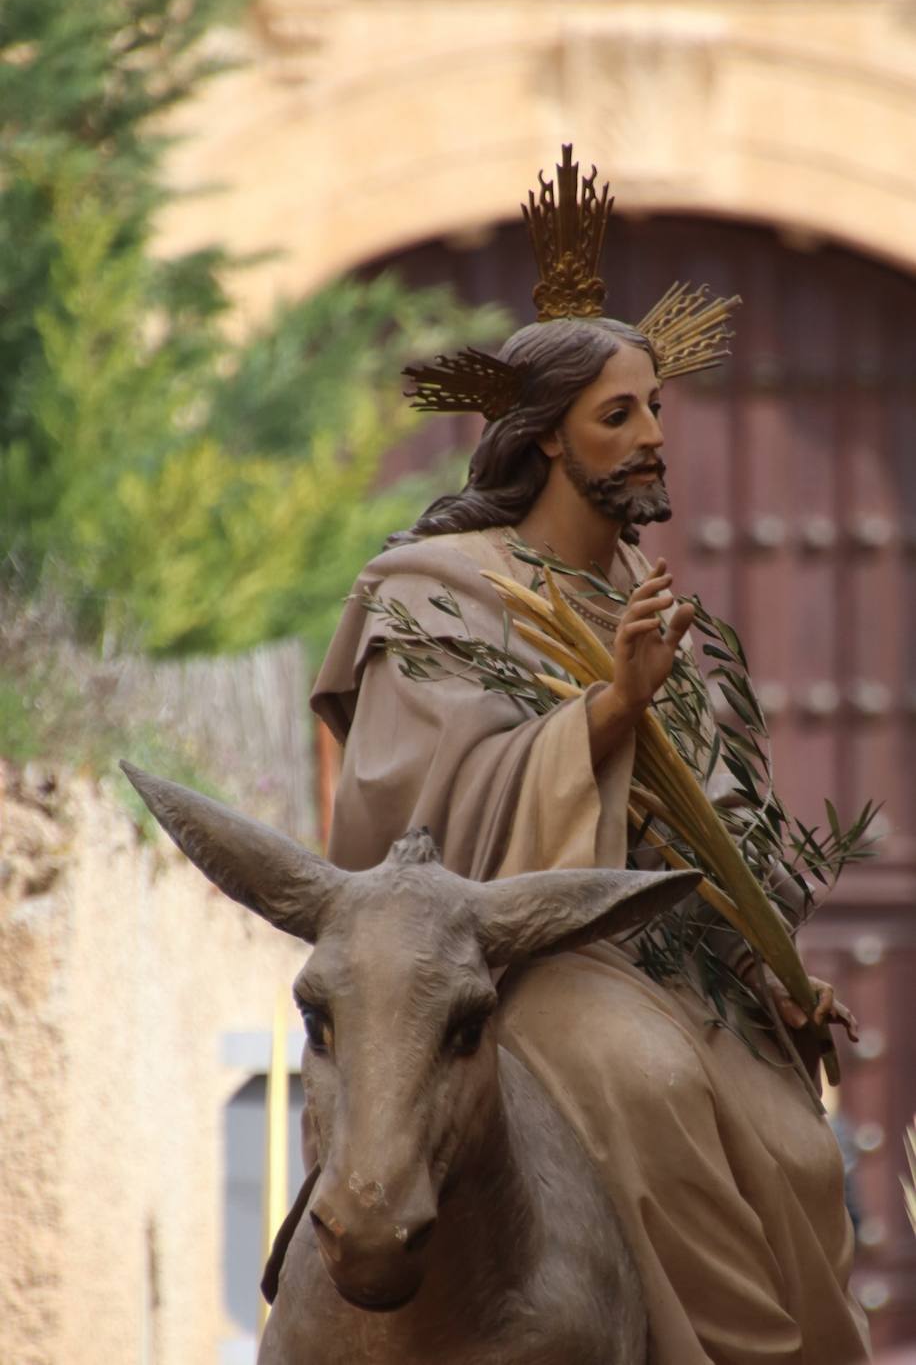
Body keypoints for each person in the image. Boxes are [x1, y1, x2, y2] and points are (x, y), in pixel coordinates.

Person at [309, 149, 869, 1363]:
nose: (655, 436)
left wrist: (764, 960)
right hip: (512, 959)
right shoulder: (437, 593)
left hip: (656, 961)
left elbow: (705, 824)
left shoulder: (644, 600)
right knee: (645, 1081)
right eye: (620, 414)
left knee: (796, 1151)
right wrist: (608, 711)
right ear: (546, 440)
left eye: (657, 407)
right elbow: (415, 824)